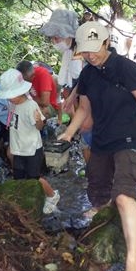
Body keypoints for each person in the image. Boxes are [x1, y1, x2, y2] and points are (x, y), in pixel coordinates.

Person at [58, 21, 136, 271]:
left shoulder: (126, 68)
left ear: (106, 43)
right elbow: (84, 108)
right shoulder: (89, 73)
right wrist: (68, 133)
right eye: (86, 51)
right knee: (97, 189)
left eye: (95, 49)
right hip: (103, 140)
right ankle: (102, 223)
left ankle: (132, 263)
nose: (91, 55)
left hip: (129, 137)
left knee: (124, 196)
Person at [0, 69, 60, 214]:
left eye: (12, 95)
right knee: (19, 176)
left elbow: (39, 127)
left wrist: (38, 120)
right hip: (18, 147)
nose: (9, 98)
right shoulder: (13, 103)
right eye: (8, 96)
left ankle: (52, 195)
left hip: (32, 148)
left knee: (35, 177)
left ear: (20, 91)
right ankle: (28, 199)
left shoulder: (30, 105)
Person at [38, 9, 90, 161]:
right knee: (86, 140)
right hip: (80, 102)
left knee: (90, 139)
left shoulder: (84, 52)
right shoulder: (70, 51)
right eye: (52, 38)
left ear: (69, 35)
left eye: (57, 37)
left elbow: (85, 82)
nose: (54, 41)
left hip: (91, 104)